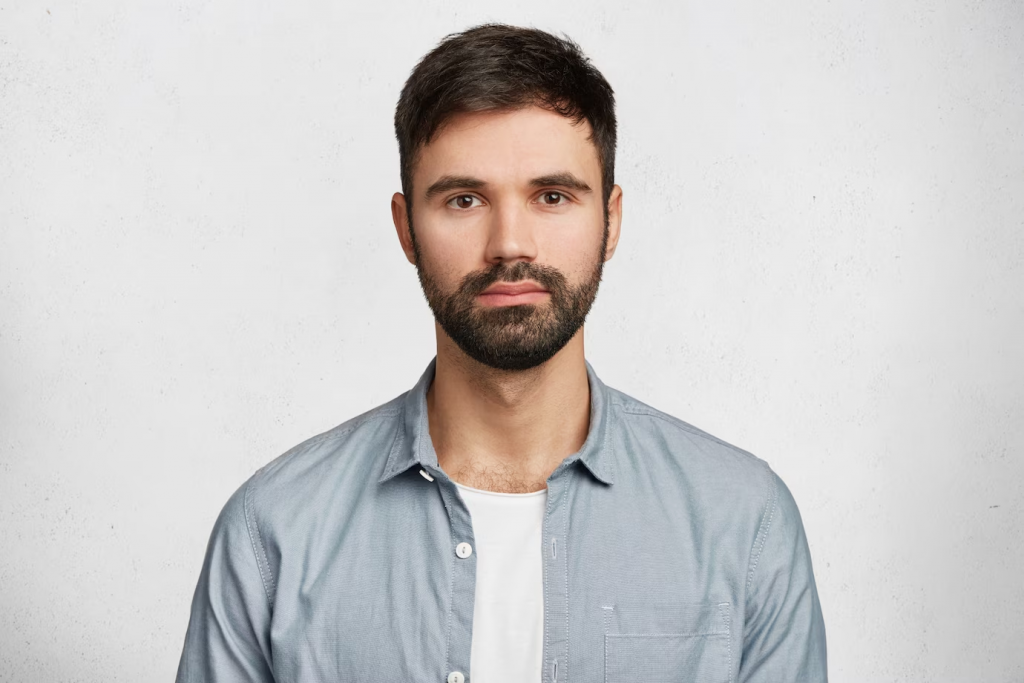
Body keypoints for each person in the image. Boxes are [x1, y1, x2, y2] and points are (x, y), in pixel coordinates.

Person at [175, 23, 827, 683]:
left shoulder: (744, 524)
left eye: (552, 196)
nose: (510, 244)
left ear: (611, 220)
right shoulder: (273, 533)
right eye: (464, 199)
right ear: (406, 228)